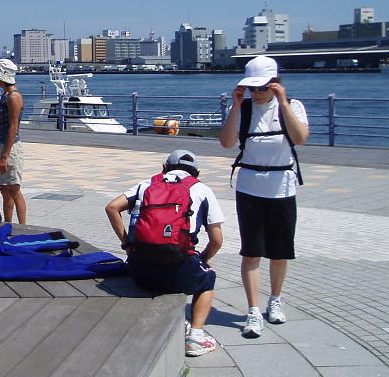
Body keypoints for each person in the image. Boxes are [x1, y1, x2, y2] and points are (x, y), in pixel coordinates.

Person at [219, 55, 309, 338]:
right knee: (251, 252)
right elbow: (226, 142)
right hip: (250, 187)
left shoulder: (292, 106)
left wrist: (283, 102)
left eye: (262, 87)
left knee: (280, 252)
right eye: (252, 88)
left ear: (275, 83)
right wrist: (236, 105)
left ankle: (276, 299)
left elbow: (300, 138)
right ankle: (253, 310)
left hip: (282, 186)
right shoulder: (243, 109)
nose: (256, 93)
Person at [105, 150, 224, 357]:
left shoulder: (146, 184)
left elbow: (112, 207)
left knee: (157, 269)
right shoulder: (202, 190)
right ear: (197, 173)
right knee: (208, 277)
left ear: (164, 168)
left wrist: (127, 245)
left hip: (140, 270)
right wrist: (204, 259)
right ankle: (196, 337)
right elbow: (217, 240)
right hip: (179, 271)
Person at [0, 59, 26, 224]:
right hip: (0, 144)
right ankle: (8, 223)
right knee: (4, 189)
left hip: (9, 147)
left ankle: (23, 226)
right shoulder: (5, 95)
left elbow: (13, 127)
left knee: (14, 189)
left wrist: (4, 156)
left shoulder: (14, 97)